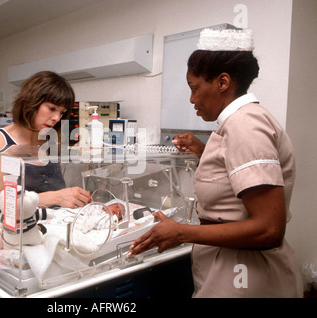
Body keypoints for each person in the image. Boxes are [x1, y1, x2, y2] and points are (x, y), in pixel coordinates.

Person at [128, 29, 303, 297]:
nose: (192, 99)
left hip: (246, 278)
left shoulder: (245, 124)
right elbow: (233, 174)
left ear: (223, 82)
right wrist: (203, 150)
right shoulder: (236, 124)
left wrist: (182, 233)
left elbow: (269, 229)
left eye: (194, 88)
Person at [0, 71, 91, 209]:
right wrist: (57, 197)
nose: (57, 118)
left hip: (55, 221)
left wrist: (77, 198)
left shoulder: (49, 139)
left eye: (61, 112)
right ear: (31, 102)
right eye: (52, 108)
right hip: (22, 225)